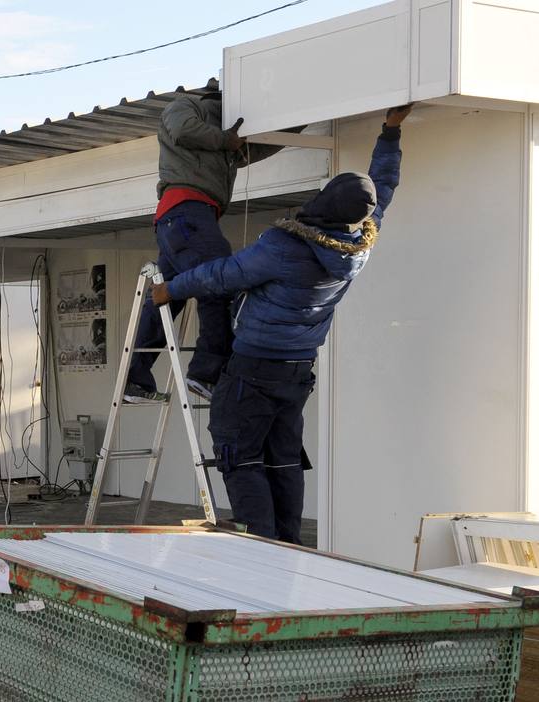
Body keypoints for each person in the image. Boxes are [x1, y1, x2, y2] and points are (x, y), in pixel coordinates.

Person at [152, 105, 411, 543]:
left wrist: (171, 290)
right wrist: (390, 132)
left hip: (252, 367)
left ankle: (261, 551)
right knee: (284, 458)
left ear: (324, 201)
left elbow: (222, 275)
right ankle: (288, 548)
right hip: (296, 369)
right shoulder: (358, 242)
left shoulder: (284, 246)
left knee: (240, 455)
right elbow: (381, 187)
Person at [125, 89, 288, 404]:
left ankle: (135, 377)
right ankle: (206, 373)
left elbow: (253, 150)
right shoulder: (187, 107)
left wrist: (295, 125)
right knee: (219, 282)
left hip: (183, 219)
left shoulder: (220, 140)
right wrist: (226, 140)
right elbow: (184, 129)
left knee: (167, 297)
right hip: (188, 213)